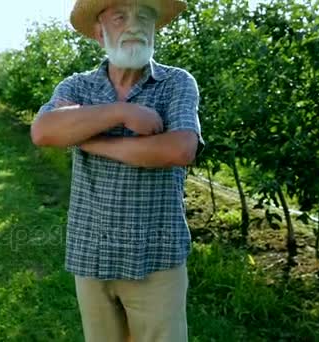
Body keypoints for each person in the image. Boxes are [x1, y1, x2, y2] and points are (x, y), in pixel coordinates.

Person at [30, 0, 203, 341]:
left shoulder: (176, 83)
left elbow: (180, 149)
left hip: (156, 257)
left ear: (155, 29)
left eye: (144, 17)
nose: (133, 26)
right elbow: (43, 131)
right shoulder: (78, 86)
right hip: (92, 254)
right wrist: (121, 114)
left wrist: (88, 139)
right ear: (99, 32)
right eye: (120, 17)